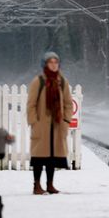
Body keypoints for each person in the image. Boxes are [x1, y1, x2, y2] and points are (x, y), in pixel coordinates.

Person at [26, 51, 73, 195]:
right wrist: (34, 122)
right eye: (50, 62)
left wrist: (66, 121)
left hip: (57, 126)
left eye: (56, 62)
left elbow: (68, 104)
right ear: (45, 64)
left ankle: (50, 184)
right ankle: (37, 185)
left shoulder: (62, 81)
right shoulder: (38, 81)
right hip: (42, 127)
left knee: (52, 158)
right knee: (39, 158)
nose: (53, 65)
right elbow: (31, 104)